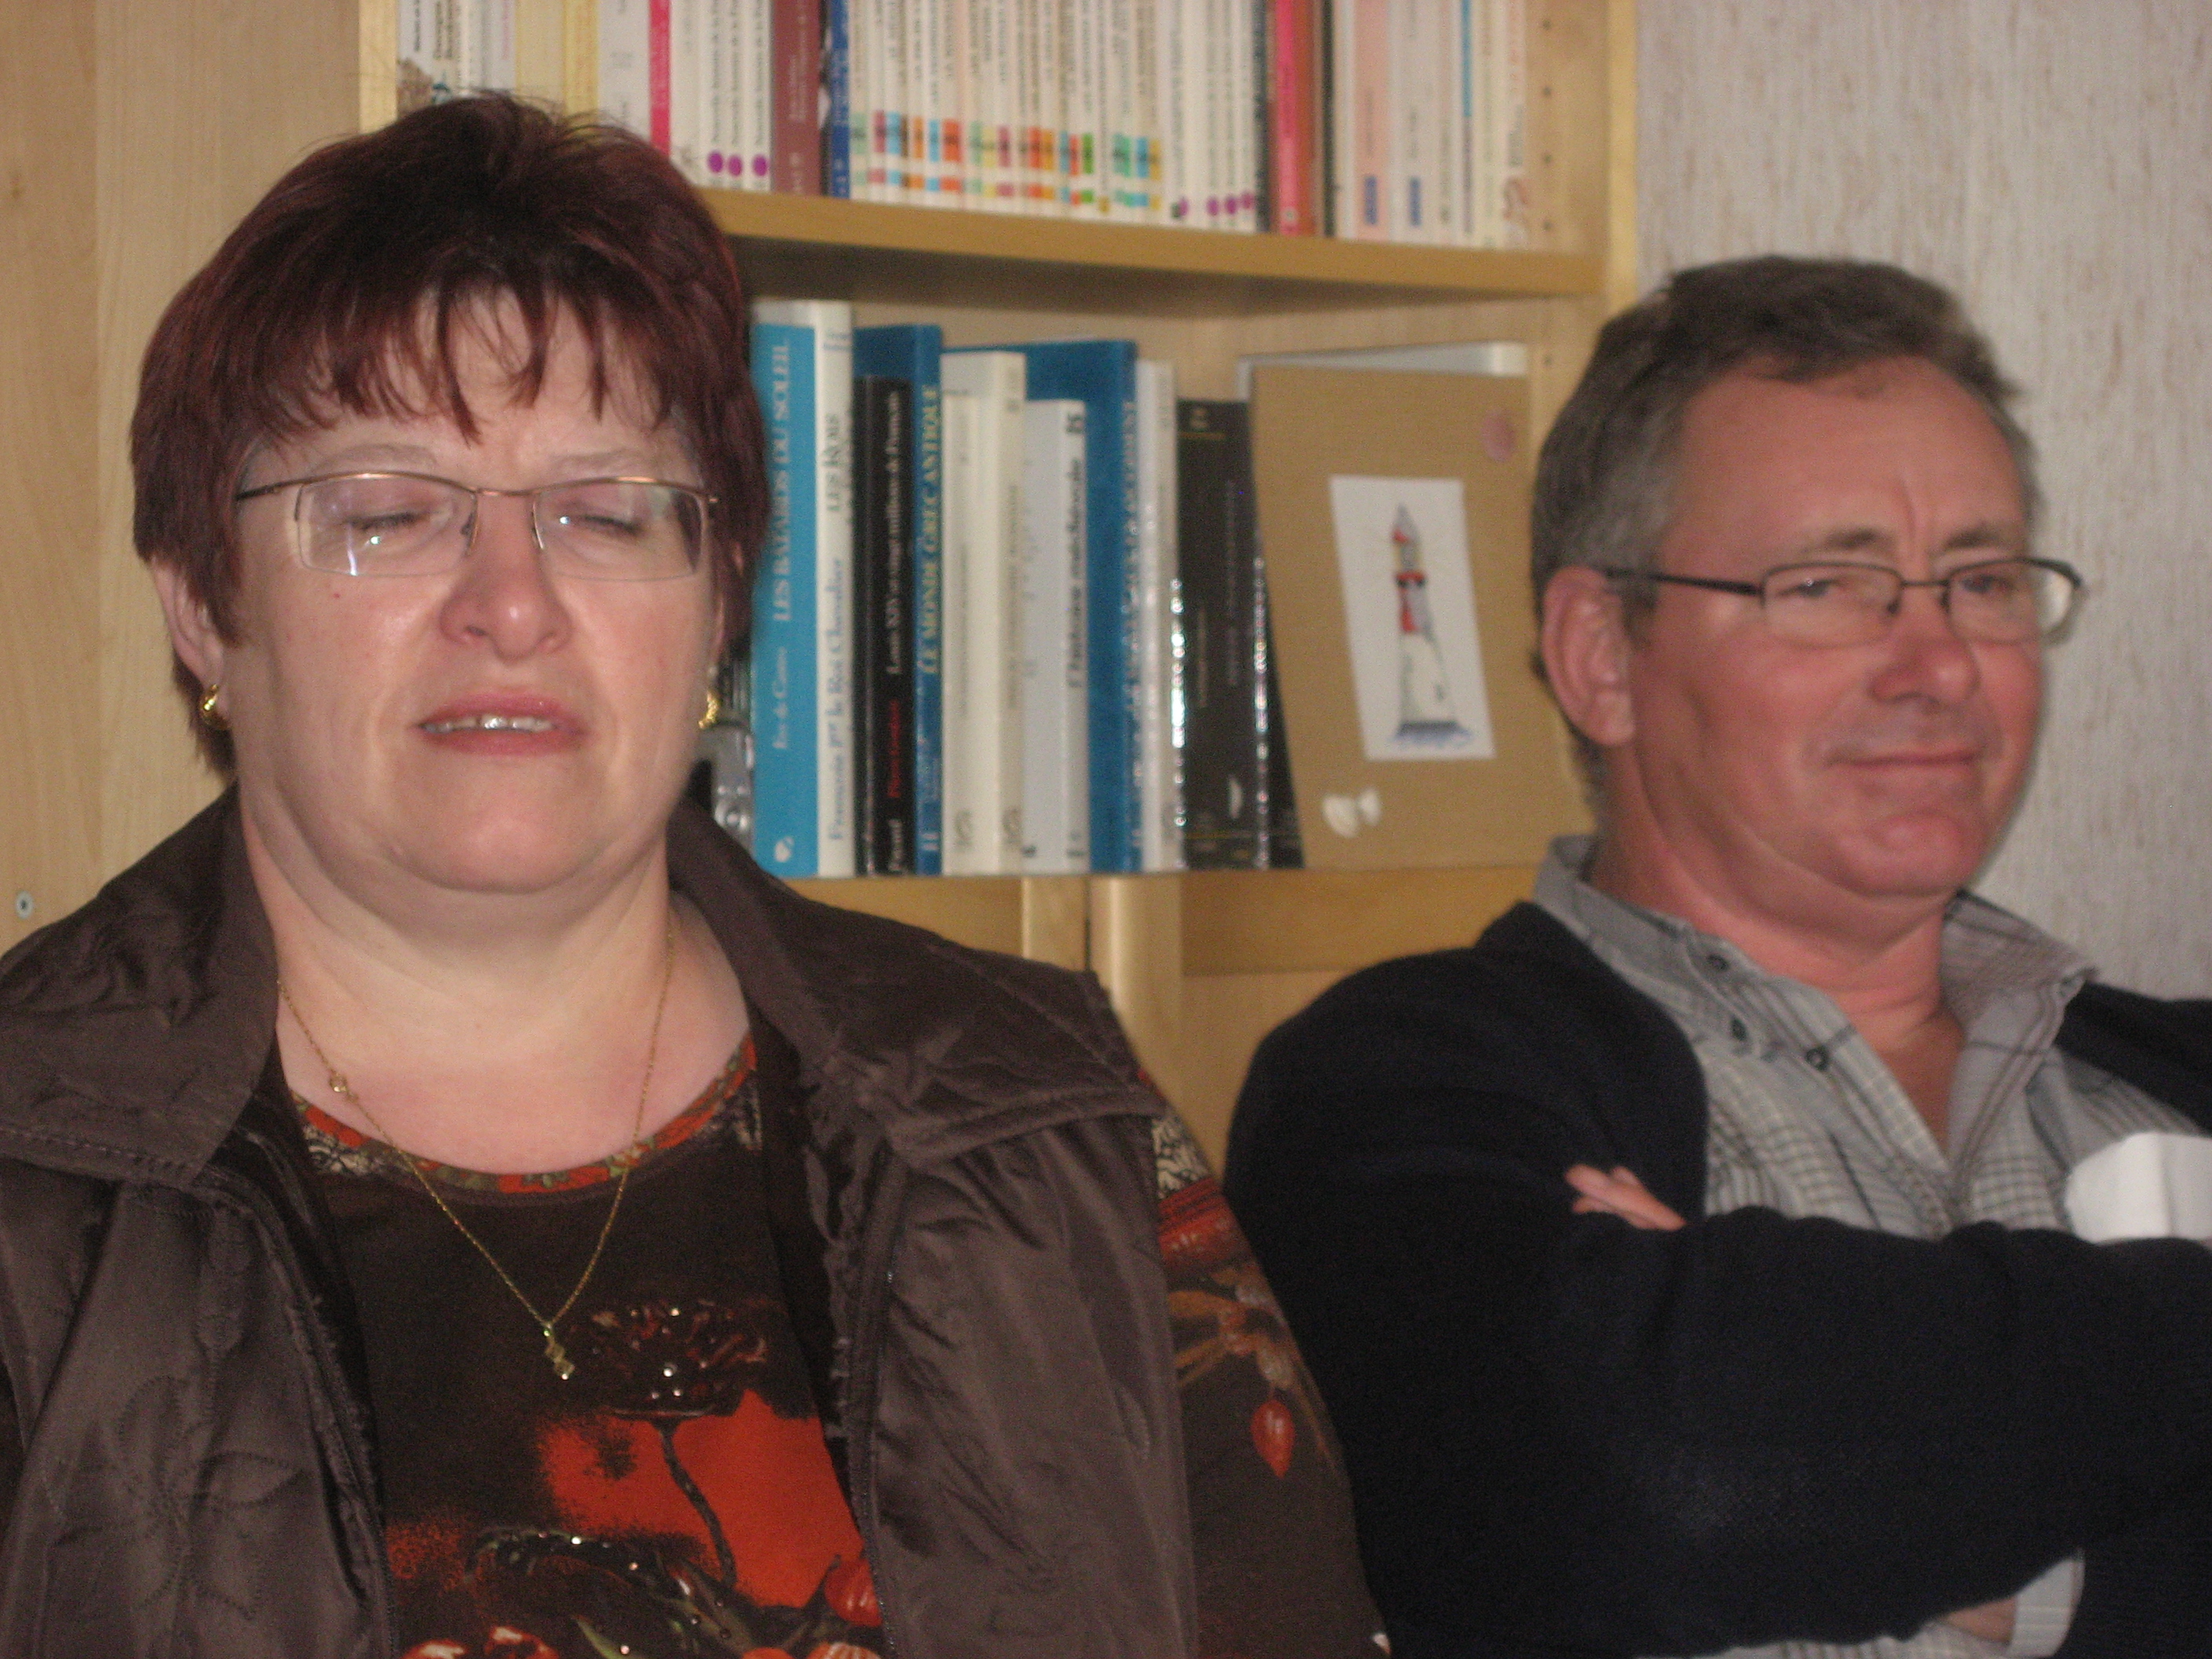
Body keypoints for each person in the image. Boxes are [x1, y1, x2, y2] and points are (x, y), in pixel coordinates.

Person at [0, 94, 1382, 1659]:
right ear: (201, 604)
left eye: (604, 513)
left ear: (722, 598)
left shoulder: (1044, 1115)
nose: (511, 602)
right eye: (387, 513)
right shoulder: (32, 1174)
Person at [1225, 255, 2212, 1659]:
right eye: (1828, 585)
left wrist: (1810, 1409)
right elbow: (1650, 1486)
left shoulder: (2175, 1072)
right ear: (1601, 655)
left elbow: (1729, 1469)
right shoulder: (1398, 1084)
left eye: (1983, 582)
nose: (1937, 665)